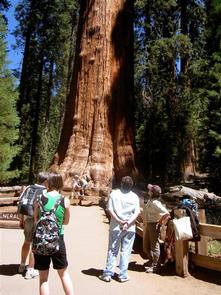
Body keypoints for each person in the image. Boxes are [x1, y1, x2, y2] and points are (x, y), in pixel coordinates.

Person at [33, 173, 74, 295]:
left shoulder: (39, 198)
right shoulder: (64, 200)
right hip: (58, 240)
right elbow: (66, 222)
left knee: (43, 278)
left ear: (48, 182)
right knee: (64, 275)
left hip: (40, 240)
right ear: (60, 183)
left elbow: (36, 219)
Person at [99, 176, 140, 283]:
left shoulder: (114, 194)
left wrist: (119, 221)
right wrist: (128, 222)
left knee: (112, 249)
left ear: (121, 184)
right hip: (130, 227)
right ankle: (123, 275)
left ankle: (108, 274)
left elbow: (110, 209)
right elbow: (137, 212)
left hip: (116, 227)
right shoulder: (135, 197)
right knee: (126, 251)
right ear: (131, 185)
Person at [18, 171, 48, 279]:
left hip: (26, 218)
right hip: (37, 219)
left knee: (27, 241)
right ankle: (30, 270)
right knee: (35, 245)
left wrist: (21, 219)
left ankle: (22, 265)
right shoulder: (44, 191)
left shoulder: (28, 188)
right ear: (45, 181)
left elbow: (20, 203)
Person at [143, 184, 170, 273]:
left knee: (154, 246)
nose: (148, 191)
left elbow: (167, 213)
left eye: (150, 190)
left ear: (152, 193)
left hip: (153, 224)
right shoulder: (151, 201)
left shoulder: (156, 203)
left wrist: (160, 221)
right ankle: (151, 261)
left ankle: (155, 266)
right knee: (146, 244)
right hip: (149, 224)